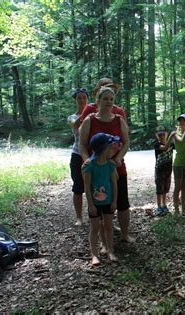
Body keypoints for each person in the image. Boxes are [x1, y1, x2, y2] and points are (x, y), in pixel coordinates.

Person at [79, 86, 133, 243]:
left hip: (116, 168)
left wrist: (118, 158)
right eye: (105, 99)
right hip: (96, 170)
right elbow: (82, 144)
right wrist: (86, 160)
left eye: (111, 99)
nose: (109, 102)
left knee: (122, 202)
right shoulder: (90, 120)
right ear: (98, 101)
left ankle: (124, 234)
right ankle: (103, 242)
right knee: (100, 204)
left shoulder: (118, 119)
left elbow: (126, 141)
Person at [82, 133, 120, 266]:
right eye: (111, 147)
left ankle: (110, 251)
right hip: (94, 204)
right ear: (104, 148)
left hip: (108, 202)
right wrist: (90, 204)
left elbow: (114, 183)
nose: (113, 149)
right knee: (95, 228)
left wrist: (115, 201)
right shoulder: (89, 166)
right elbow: (86, 186)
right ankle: (94, 255)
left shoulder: (110, 165)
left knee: (108, 227)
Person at [68, 88, 89, 226]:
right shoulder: (72, 117)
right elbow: (76, 126)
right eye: (79, 98)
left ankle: (97, 215)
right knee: (78, 187)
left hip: (93, 154)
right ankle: (79, 218)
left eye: (84, 98)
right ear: (75, 100)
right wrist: (86, 114)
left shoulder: (94, 113)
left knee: (95, 186)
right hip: (77, 154)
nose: (81, 100)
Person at [172, 114, 185, 215]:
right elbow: (182, 140)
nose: (182, 123)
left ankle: (184, 210)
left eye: (184, 121)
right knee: (178, 187)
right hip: (178, 164)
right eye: (180, 122)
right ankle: (176, 210)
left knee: (184, 187)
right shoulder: (175, 134)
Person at [154, 126, 176, 216]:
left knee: (165, 189)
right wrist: (171, 136)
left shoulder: (171, 144)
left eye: (163, 134)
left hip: (168, 170)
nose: (162, 136)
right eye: (159, 135)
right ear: (157, 136)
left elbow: (178, 146)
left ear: (166, 134)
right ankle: (159, 207)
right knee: (159, 189)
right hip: (159, 170)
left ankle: (164, 205)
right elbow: (165, 148)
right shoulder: (157, 145)